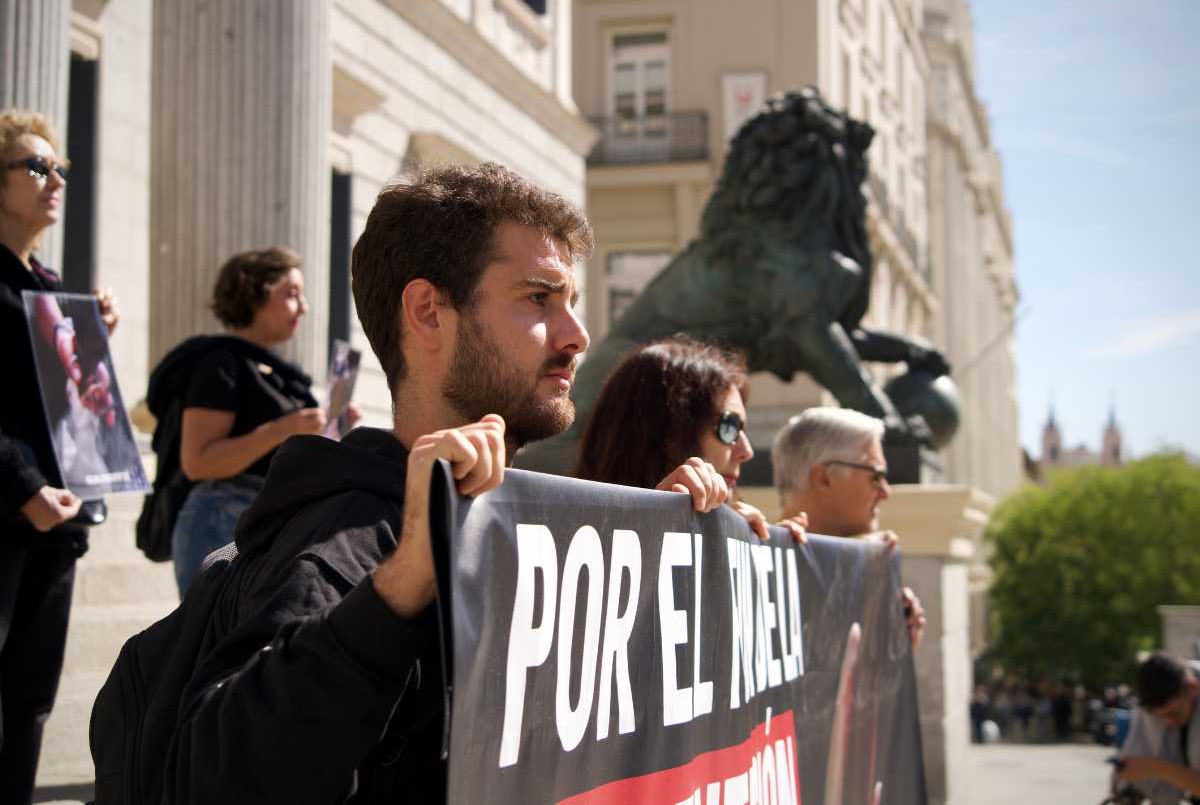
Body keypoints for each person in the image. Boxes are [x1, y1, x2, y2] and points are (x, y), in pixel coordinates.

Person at [104, 163, 733, 802]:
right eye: (539, 297)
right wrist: (401, 585)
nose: (577, 336)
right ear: (429, 313)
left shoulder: (507, 523)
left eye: (571, 303)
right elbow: (215, 779)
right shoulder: (343, 544)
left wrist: (670, 555)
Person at [0, 110, 118, 805]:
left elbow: (77, 409)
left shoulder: (50, 287)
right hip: (11, 511)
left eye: (61, 169)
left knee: (29, 701)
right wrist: (22, 486)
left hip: (57, 521)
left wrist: (93, 335)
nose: (55, 181)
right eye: (36, 167)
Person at [146, 246, 358, 595]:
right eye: (291, 295)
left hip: (270, 520)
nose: (303, 307)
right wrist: (283, 429)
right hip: (222, 521)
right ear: (254, 292)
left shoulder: (281, 374)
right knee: (216, 643)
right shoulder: (220, 363)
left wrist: (336, 426)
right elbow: (198, 461)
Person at [575, 334, 807, 542]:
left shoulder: (737, 529)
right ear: (666, 435)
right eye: (729, 426)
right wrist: (654, 525)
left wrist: (766, 550)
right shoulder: (567, 538)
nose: (747, 451)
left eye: (742, 429)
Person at [772, 406, 927, 647]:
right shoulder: (762, 570)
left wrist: (893, 653)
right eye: (875, 476)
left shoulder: (862, 568)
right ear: (824, 478)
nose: (885, 491)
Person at [1114, 652, 1200, 802]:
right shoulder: (1158, 696)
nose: (1168, 723)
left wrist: (1157, 768)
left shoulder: (1183, 684)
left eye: (1174, 713)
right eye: (1159, 717)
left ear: (1193, 688)